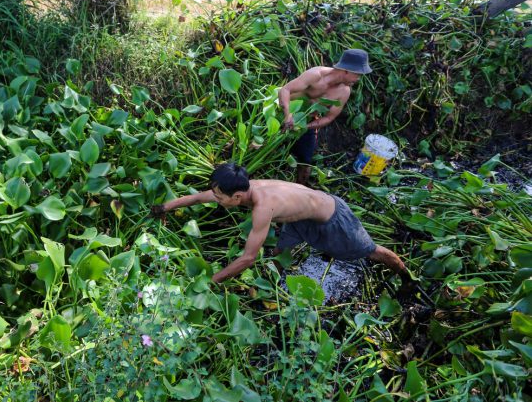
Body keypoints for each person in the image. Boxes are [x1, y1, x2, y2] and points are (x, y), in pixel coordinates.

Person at [150, 163, 407, 284]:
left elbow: (248, 258)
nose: (215, 200)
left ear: (236, 197)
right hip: (299, 218)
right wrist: (164, 208)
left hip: (333, 219)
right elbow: (198, 197)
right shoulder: (241, 188)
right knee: (278, 252)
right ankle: (275, 283)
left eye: (219, 198)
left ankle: (406, 277)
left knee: (371, 252)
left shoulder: (263, 207)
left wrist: (211, 281)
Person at [279, 49, 373, 185]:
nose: (358, 79)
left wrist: (304, 126)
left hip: (306, 122)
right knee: (269, 147)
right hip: (284, 114)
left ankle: (300, 189)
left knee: (306, 160)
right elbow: (285, 90)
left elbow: (329, 118)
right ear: (346, 70)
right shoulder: (316, 75)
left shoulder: (344, 92)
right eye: (358, 75)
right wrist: (287, 116)